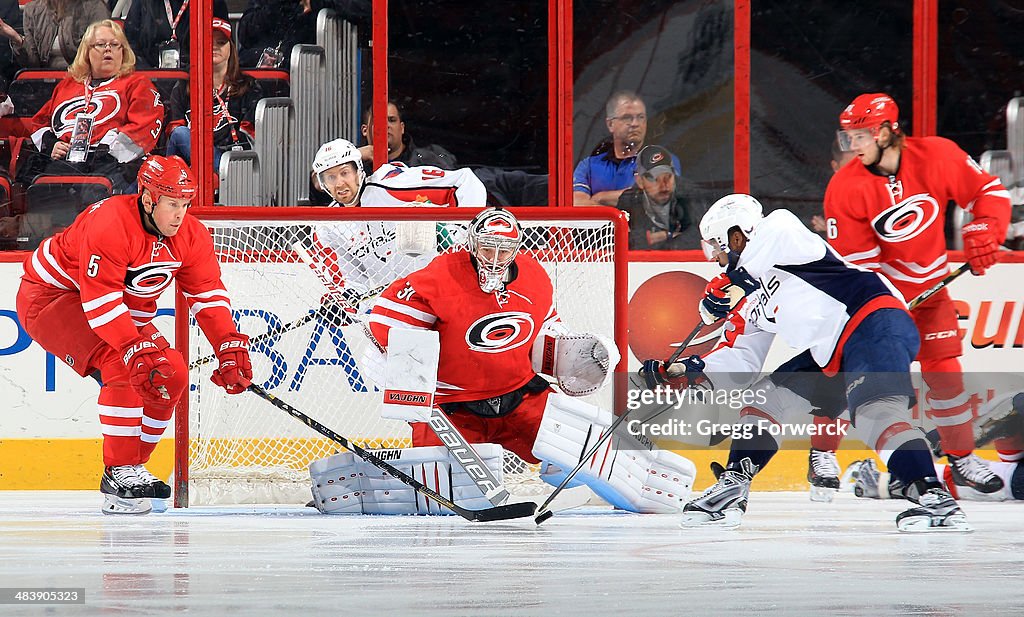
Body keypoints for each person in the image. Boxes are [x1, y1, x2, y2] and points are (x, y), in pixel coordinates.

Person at [308, 207, 696, 515]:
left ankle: (647, 486)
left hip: (521, 400)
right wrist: (386, 353)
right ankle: (355, 486)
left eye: (503, 249)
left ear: (516, 249)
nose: (494, 258)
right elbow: (389, 326)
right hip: (453, 412)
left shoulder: (533, 276)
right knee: (435, 491)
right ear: (472, 245)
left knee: (581, 459)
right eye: (487, 247)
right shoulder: (439, 276)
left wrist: (568, 353)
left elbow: (546, 326)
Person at [639, 193, 971, 531]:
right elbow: (742, 361)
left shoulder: (782, 233)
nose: (716, 258)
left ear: (736, 236)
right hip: (832, 351)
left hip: (871, 320)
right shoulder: (748, 299)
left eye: (717, 247)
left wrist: (730, 281)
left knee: (877, 412)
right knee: (764, 396)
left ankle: (934, 498)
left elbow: (773, 236)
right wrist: (688, 371)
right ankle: (733, 487)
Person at [15, 155, 253, 515]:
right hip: (52, 298)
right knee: (123, 364)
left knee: (171, 374)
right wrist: (133, 347)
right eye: (173, 204)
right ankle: (119, 471)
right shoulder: (111, 221)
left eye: (186, 205)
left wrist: (228, 346)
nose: (180, 214)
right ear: (148, 198)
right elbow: (101, 300)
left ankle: (130, 469)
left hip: (115, 310)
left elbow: (207, 295)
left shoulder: (191, 235)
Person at [824, 93, 1013, 495]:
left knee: (945, 375)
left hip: (931, 293)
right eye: (848, 138)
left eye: (861, 136)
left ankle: (961, 460)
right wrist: (884, 308)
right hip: (881, 302)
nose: (853, 146)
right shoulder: (845, 188)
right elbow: (859, 269)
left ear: (888, 131)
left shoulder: (938, 156)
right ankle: (825, 454)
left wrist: (985, 230)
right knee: (874, 384)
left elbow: (990, 193)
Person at [16, 20, 164, 194]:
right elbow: (40, 122)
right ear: (87, 51)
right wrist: (51, 144)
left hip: (111, 165)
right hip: (64, 161)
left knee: (92, 193)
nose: (108, 49)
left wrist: (105, 152)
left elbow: (144, 126)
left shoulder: (137, 84)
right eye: (101, 44)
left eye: (115, 45)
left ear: (123, 51)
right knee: (37, 189)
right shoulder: (68, 85)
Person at [165, 18, 262, 174]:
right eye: (209, 41)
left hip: (233, 164)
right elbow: (176, 137)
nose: (215, 47)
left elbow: (250, 138)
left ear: (231, 48)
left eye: (221, 42)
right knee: (181, 134)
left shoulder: (248, 85)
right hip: (191, 165)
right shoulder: (183, 86)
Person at [572, 90, 680, 206]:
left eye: (641, 117)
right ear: (610, 124)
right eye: (627, 118)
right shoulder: (588, 166)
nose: (635, 123)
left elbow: (657, 195)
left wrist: (600, 197)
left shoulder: (663, 159)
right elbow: (578, 204)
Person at [236, 0, 370, 69]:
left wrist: (320, 3)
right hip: (270, 86)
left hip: (322, 79)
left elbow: (369, 12)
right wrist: (277, 5)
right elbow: (245, 34)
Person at [615, 144, 699, 250]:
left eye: (668, 177)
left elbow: (700, 237)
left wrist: (663, 239)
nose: (664, 185)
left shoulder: (688, 195)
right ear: (640, 181)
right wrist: (669, 236)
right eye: (655, 179)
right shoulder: (629, 200)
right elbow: (616, 240)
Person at [0, 0, 108, 70]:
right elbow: (33, 65)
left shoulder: (94, 7)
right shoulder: (32, 9)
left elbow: (100, 56)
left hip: (83, 78)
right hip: (44, 83)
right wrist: (16, 38)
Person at [123, 0, 229, 68]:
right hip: (151, 77)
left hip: (195, 78)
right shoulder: (143, 3)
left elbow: (224, 42)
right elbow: (129, 43)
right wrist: (147, 73)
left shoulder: (213, 3)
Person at [359, 100, 458, 172]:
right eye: (379, 121)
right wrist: (355, 156)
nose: (386, 125)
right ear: (365, 130)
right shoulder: (354, 163)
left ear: (402, 128)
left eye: (392, 120)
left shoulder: (429, 159)